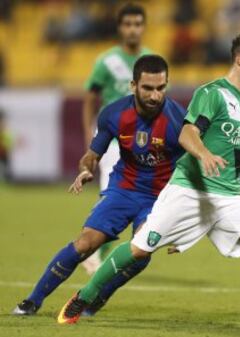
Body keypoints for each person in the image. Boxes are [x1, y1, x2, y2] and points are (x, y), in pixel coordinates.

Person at [57, 33, 240, 325]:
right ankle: (84, 296)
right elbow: (188, 134)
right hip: (189, 190)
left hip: (226, 196)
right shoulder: (212, 93)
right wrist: (204, 155)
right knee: (139, 248)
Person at [13, 55, 186, 316]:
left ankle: (98, 296)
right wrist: (85, 170)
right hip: (123, 189)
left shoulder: (179, 122)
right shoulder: (114, 114)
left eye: (160, 88)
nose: (154, 96)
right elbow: (92, 155)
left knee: (141, 251)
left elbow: (191, 171)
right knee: (84, 243)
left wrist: (185, 223)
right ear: (133, 86)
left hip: (159, 198)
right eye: (147, 88)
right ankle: (32, 301)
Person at [82, 3, 151, 274]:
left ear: (144, 27)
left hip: (144, 141)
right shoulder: (107, 60)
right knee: (114, 195)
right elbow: (90, 97)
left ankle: (98, 251)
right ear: (120, 27)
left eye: (137, 24)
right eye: (128, 24)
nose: (133, 29)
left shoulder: (151, 59)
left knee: (139, 199)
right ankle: (94, 251)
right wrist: (90, 130)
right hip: (112, 139)